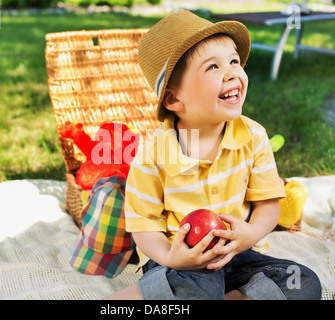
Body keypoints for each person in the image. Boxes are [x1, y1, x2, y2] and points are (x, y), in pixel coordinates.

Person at [105, 10, 322, 300]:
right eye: (213, 67)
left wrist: (250, 234)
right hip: (184, 264)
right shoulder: (155, 155)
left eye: (234, 61)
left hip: (239, 254)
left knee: (302, 282)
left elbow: (268, 205)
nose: (232, 72)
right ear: (173, 99)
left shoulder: (253, 137)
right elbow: (144, 228)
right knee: (194, 288)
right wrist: (173, 258)